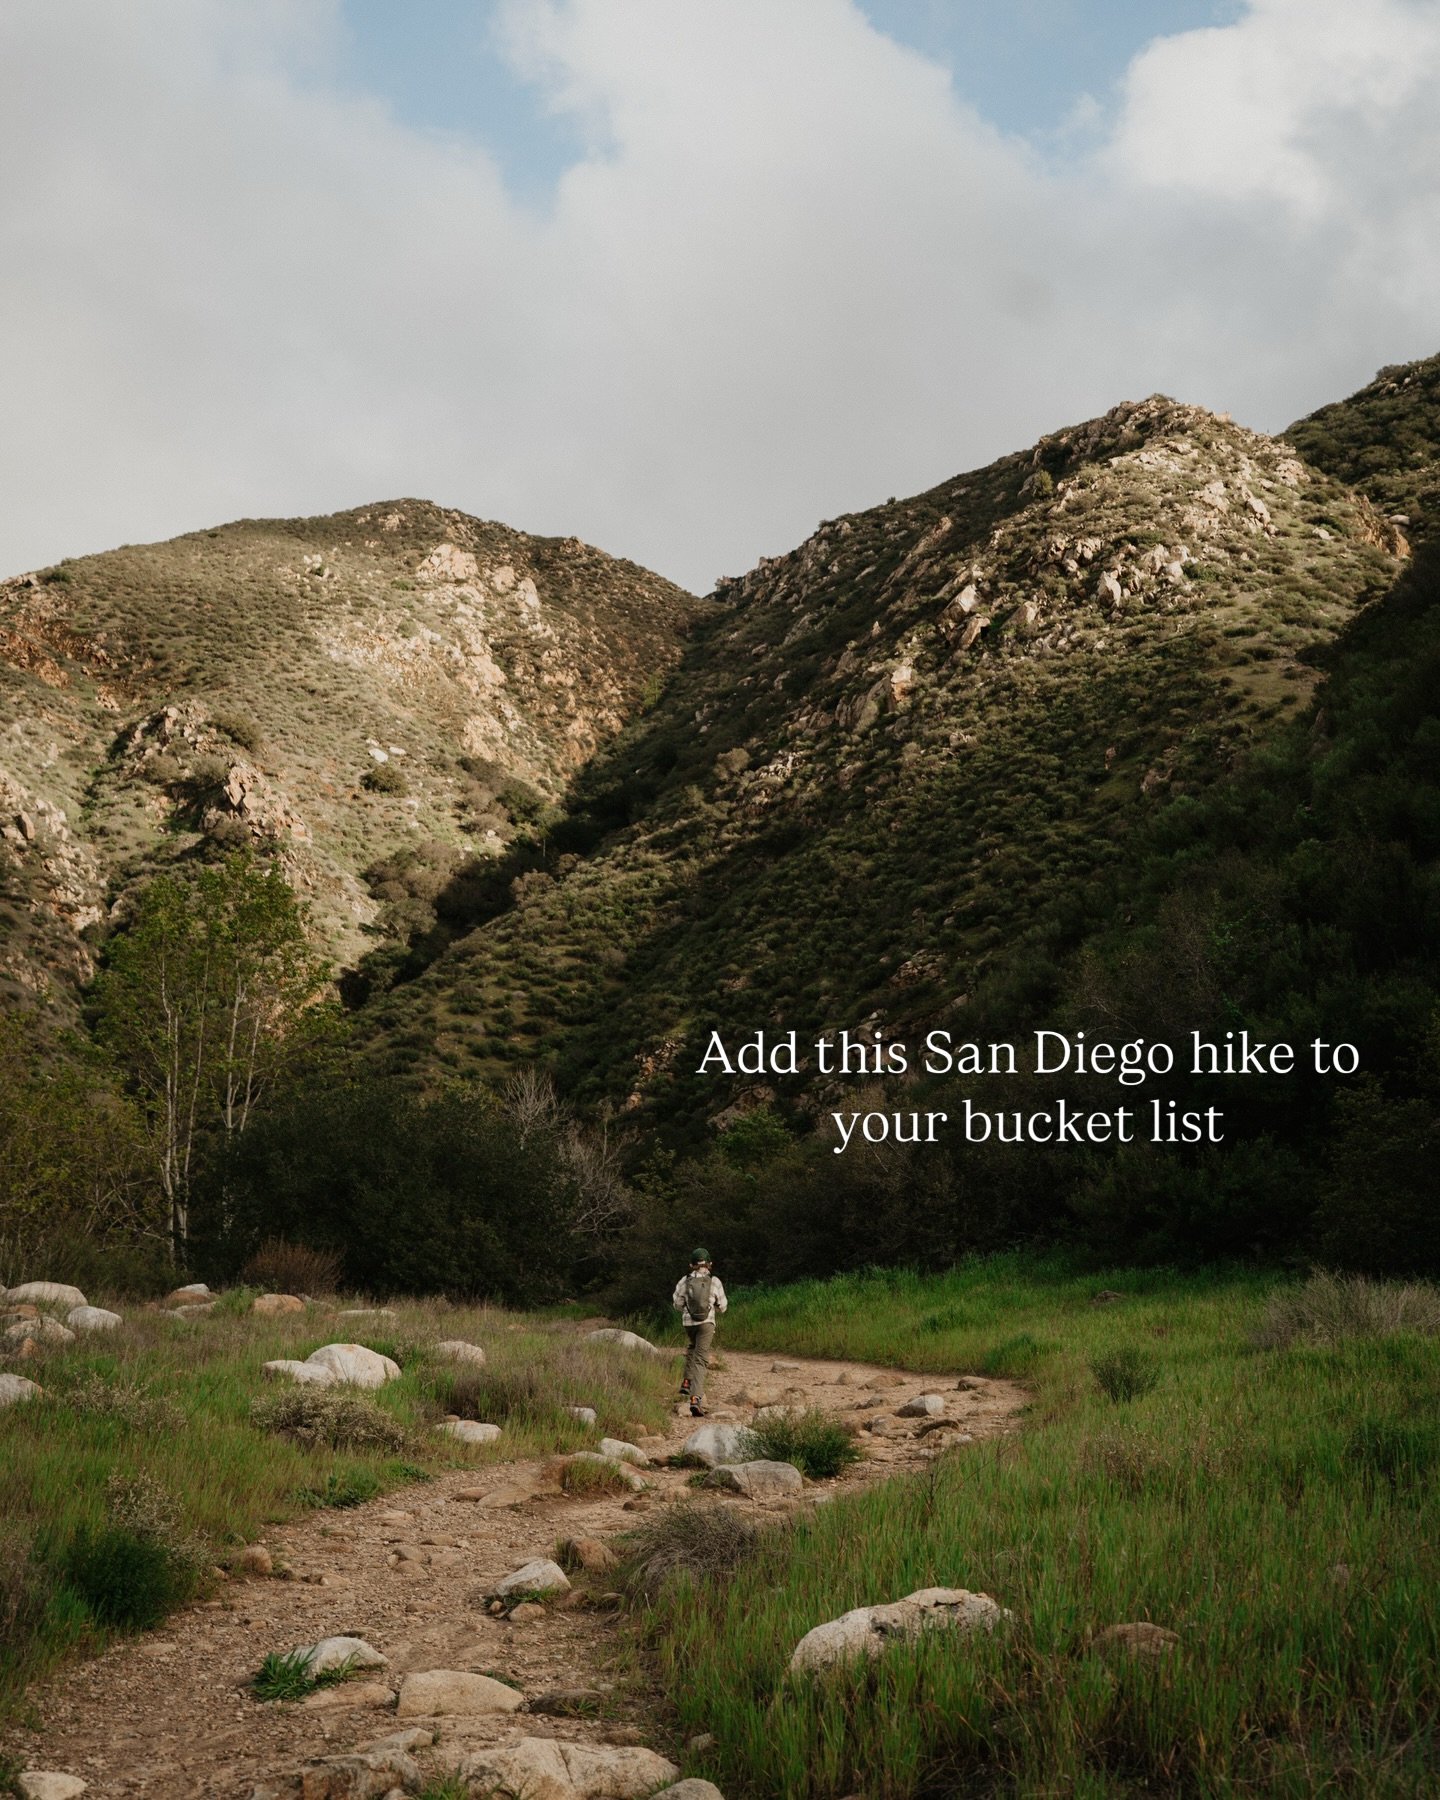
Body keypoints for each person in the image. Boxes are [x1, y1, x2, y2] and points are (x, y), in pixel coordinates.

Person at [672, 1248, 727, 1417]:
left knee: (692, 1346)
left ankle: (686, 1381)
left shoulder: (684, 1280)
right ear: (709, 1264)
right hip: (706, 1323)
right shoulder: (714, 1281)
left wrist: (689, 1310)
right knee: (701, 1359)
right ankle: (695, 1398)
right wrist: (713, 1306)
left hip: (689, 1323)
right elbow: (723, 1307)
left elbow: (677, 1304)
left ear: (691, 1264)